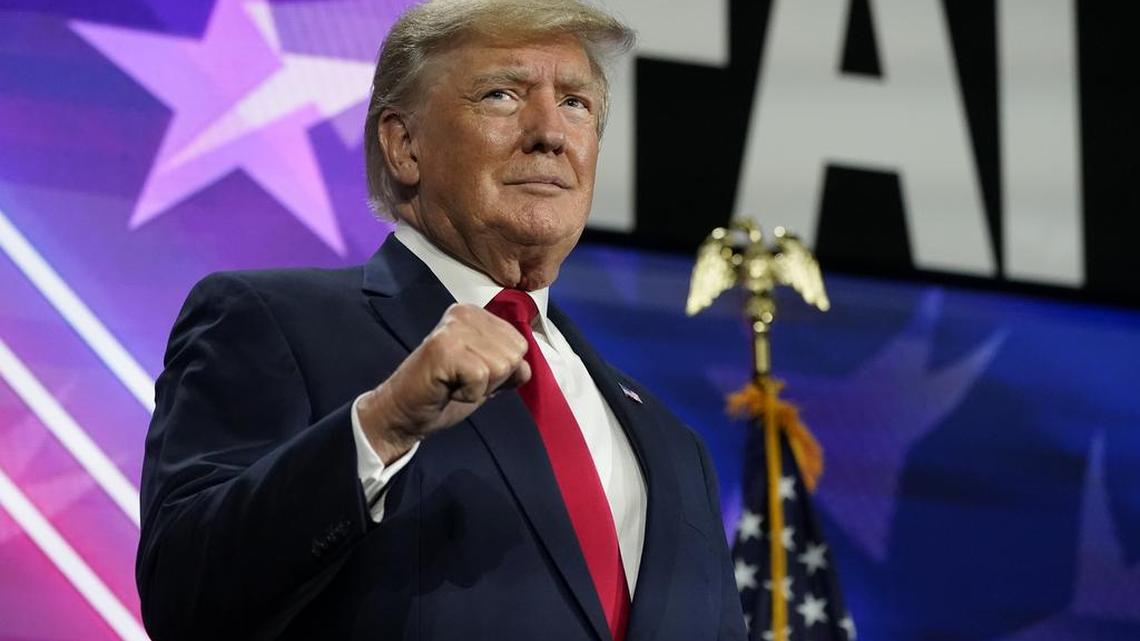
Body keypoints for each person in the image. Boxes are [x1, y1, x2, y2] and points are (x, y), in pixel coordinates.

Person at [136, 1, 746, 639]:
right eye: (502, 95)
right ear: (405, 146)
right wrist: (386, 421)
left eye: (575, 103)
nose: (551, 132)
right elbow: (187, 597)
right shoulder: (272, 323)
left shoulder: (676, 448)